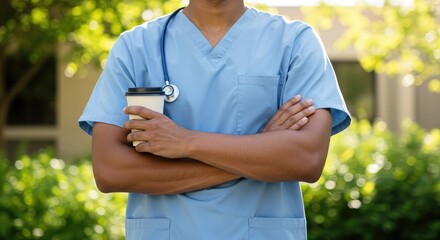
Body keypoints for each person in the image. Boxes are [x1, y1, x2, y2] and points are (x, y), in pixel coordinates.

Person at [78, 0, 351, 239]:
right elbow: (111, 171)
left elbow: (307, 159)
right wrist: (260, 149)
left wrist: (186, 142)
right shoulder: (135, 47)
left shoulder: (294, 42)